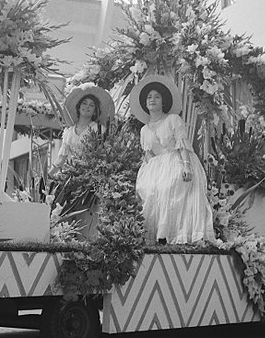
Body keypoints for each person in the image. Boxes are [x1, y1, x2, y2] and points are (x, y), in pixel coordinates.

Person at [130, 74, 215, 245]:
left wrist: (186, 166)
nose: (152, 100)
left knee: (168, 187)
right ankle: (155, 237)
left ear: (164, 101)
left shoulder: (173, 119)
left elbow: (182, 144)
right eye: (149, 97)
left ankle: (176, 236)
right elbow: (148, 154)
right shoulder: (144, 130)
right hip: (156, 166)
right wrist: (145, 173)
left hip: (177, 161)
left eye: (157, 96)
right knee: (150, 189)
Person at [48, 84, 114, 176]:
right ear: (79, 107)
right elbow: (61, 158)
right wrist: (48, 175)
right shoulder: (69, 132)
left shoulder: (99, 129)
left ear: (95, 111)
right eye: (84, 103)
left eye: (91, 105)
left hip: (92, 174)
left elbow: (104, 155)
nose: (87, 107)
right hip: (71, 173)